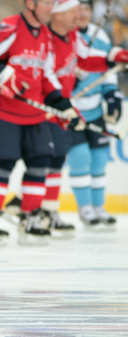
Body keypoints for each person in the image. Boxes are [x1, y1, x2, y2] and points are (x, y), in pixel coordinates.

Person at [0, 0, 128, 246]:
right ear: (31, 4)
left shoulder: (45, 35)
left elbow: (48, 73)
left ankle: (31, 217)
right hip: (5, 111)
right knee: (3, 165)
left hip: (35, 113)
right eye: (47, 3)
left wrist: (60, 101)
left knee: (41, 163)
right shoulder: (10, 27)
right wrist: (0, 76)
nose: (50, 8)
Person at [67, 0, 121, 229]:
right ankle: (85, 209)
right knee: (80, 158)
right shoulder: (64, 36)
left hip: (95, 108)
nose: (82, 13)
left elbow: (108, 70)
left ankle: (99, 207)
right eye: (77, 8)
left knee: (99, 160)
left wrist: (112, 94)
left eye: (86, 9)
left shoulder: (102, 38)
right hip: (71, 110)